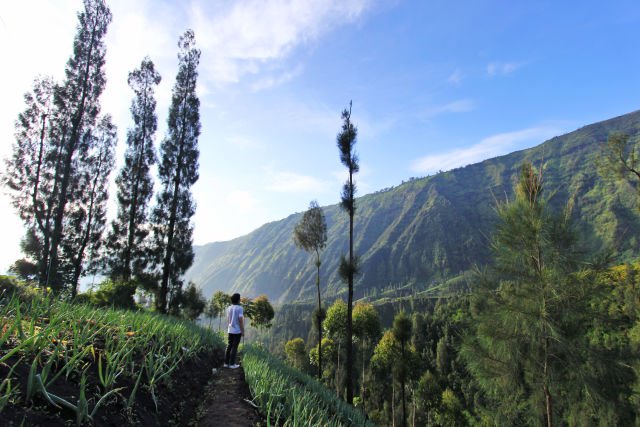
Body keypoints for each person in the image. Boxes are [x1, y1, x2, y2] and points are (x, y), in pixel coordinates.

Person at [224, 293, 244, 369]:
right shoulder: (240, 308)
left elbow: (228, 319)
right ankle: (232, 364)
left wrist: (229, 327)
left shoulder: (229, 308)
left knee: (229, 346)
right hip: (237, 331)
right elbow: (240, 320)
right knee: (235, 347)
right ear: (238, 300)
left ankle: (226, 363)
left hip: (230, 329)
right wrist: (242, 331)